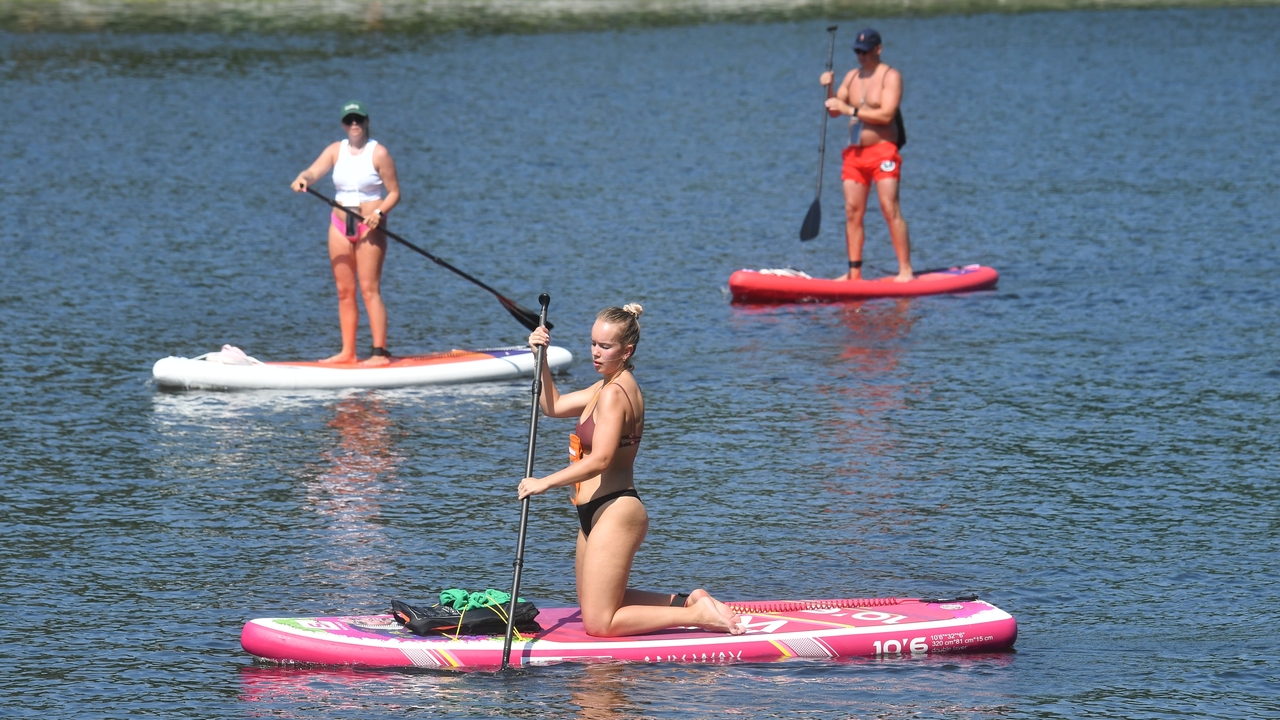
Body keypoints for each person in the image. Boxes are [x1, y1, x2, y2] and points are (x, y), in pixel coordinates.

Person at [518, 305, 744, 638]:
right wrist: (541, 357)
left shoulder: (614, 394)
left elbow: (601, 460)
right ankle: (689, 602)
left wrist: (544, 483)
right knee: (595, 603)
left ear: (627, 351)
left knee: (599, 623)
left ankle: (699, 616)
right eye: (593, 343)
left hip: (616, 510)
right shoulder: (602, 387)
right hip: (591, 511)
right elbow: (552, 406)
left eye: (605, 347)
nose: (595, 352)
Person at [291, 100, 401, 365]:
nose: (354, 125)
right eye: (349, 120)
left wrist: (379, 214)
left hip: (369, 226)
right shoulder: (335, 150)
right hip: (339, 226)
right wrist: (303, 177)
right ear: (343, 124)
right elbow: (313, 171)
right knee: (344, 290)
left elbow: (395, 193)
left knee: (369, 289)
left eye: (358, 120)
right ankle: (347, 352)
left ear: (366, 122)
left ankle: (379, 353)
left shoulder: (379, 153)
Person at [820, 29, 914, 283]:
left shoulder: (890, 77)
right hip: (855, 155)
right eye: (857, 52)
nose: (860, 56)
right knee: (852, 211)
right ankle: (854, 274)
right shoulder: (851, 77)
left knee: (888, 207)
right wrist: (829, 91)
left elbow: (885, 115)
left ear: (878, 50)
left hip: (883, 150)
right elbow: (833, 111)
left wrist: (849, 108)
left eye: (865, 51)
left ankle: (905, 269)